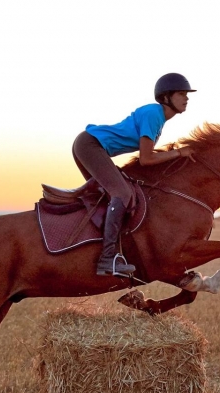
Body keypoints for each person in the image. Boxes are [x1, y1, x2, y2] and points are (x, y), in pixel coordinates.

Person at [73, 73, 197, 277]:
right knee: (121, 193)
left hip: (90, 145)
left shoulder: (158, 117)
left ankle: (101, 250)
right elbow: (146, 159)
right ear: (166, 97)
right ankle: (107, 260)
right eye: (182, 93)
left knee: (109, 197)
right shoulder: (154, 114)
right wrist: (179, 152)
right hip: (90, 145)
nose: (187, 98)